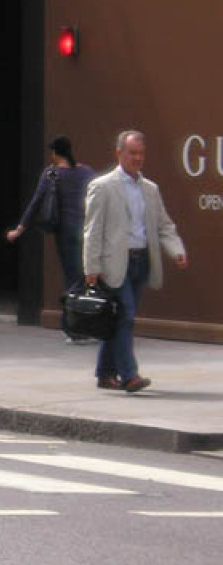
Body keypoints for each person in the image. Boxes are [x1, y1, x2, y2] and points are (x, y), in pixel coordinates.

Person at [83, 129, 188, 393]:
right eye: (132, 153)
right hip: (114, 265)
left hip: (141, 263)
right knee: (127, 317)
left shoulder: (150, 189)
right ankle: (129, 375)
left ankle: (105, 374)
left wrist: (176, 250)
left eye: (141, 154)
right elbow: (92, 229)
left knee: (118, 319)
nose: (137, 158)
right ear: (119, 153)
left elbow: (164, 225)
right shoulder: (102, 186)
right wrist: (91, 267)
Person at [6, 135, 96, 342]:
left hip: (66, 234)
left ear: (55, 153)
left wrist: (19, 229)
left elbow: (36, 203)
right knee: (85, 279)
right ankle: (86, 326)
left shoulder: (51, 173)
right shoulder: (87, 172)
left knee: (73, 279)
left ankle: (72, 328)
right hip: (87, 232)